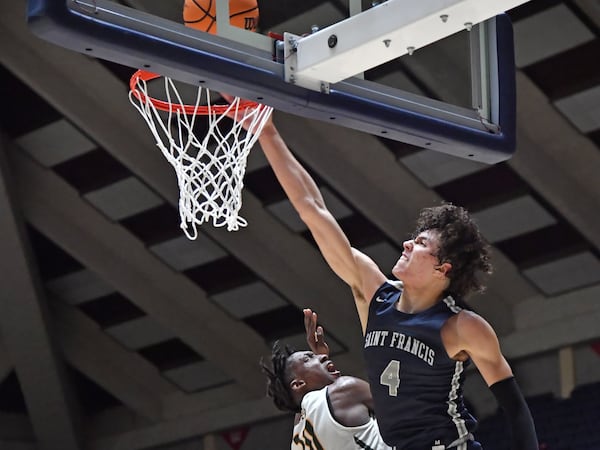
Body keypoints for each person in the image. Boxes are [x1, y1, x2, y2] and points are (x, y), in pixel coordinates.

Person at [252, 115, 538, 450]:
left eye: (421, 245)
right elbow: (312, 209)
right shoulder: (374, 293)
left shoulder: (462, 327)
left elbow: (515, 407)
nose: (407, 244)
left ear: (442, 269)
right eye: (413, 239)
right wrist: (265, 130)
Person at [261, 308, 393, 450]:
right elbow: (401, 408)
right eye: (308, 358)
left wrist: (319, 365)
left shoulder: (298, 438)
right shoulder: (344, 390)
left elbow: (301, 407)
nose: (322, 357)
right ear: (299, 384)